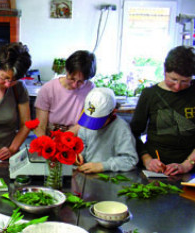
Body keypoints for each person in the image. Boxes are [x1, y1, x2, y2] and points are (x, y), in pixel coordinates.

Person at [130, 46, 195, 176]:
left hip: (190, 169)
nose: (178, 86)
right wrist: (147, 159)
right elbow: (133, 133)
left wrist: (187, 165)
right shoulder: (150, 94)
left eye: (184, 82)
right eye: (173, 79)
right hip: (154, 169)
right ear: (165, 71)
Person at [34, 50, 96, 136]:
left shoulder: (90, 89)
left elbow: (86, 121)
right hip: (50, 136)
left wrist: (65, 138)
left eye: (80, 82)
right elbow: (40, 126)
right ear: (67, 70)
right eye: (72, 79)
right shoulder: (48, 89)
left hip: (76, 136)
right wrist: (45, 144)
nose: (75, 85)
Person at [76, 88, 138, 173]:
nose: (92, 125)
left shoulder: (121, 128)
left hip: (110, 177)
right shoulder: (86, 124)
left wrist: (103, 166)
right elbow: (82, 144)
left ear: (113, 112)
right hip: (87, 174)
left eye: (98, 121)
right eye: (91, 120)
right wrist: (78, 154)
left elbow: (130, 160)